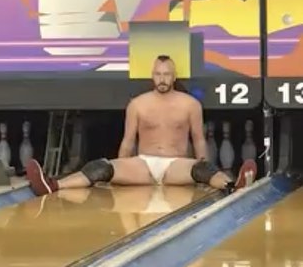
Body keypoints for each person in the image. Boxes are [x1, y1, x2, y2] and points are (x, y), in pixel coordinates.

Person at [26, 55, 257, 196]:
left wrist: (206, 169)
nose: (162, 79)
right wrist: (118, 171)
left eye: (167, 74)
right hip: (143, 165)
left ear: (174, 76)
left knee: (202, 170)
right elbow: (128, 141)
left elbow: (198, 139)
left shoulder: (190, 104)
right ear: (152, 75)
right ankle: (53, 185)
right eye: (158, 74)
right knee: (101, 167)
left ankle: (231, 186)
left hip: (176, 166)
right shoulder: (137, 104)